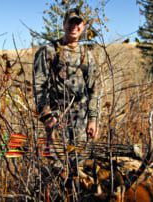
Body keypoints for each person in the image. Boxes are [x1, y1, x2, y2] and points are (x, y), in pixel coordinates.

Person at [33, 8, 99, 149]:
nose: (74, 26)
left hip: (81, 120)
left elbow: (93, 90)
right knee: (57, 166)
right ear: (64, 24)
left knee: (79, 163)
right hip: (57, 118)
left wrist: (93, 119)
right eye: (71, 22)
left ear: (83, 26)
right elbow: (39, 86)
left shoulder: (87, 55)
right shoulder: (49, 51)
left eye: (78, 23)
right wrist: (47, 117)